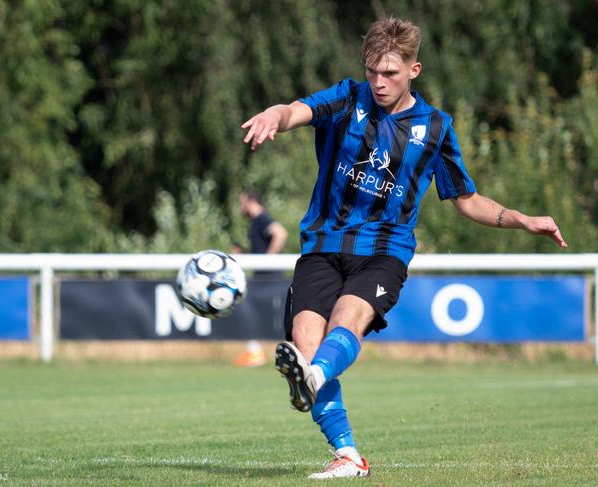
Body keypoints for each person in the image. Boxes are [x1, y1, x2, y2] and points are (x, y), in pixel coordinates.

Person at [241, 17, 566, 479]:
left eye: (390, 73)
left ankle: (313, 378)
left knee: (344, 323)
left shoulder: (435, 128)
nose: (378, 82)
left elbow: (467, 199)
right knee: (306, 342)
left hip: (384, 252)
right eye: (372, 71)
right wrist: (274, 116)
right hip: (322, 245)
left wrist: (522, 220)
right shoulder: (347, 98)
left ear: (414, 70)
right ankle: (347, 454)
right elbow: (297, 111)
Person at [233, 190, 288, 367]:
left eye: (242, 202)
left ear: (251, 202)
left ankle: (255, 352)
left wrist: (268, 259)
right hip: (264, 277)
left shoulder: (261, 219)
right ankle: (255, 351)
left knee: (247, 307)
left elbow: (280, 233)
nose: (240, 207)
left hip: (269, 278)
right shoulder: (256, 222)